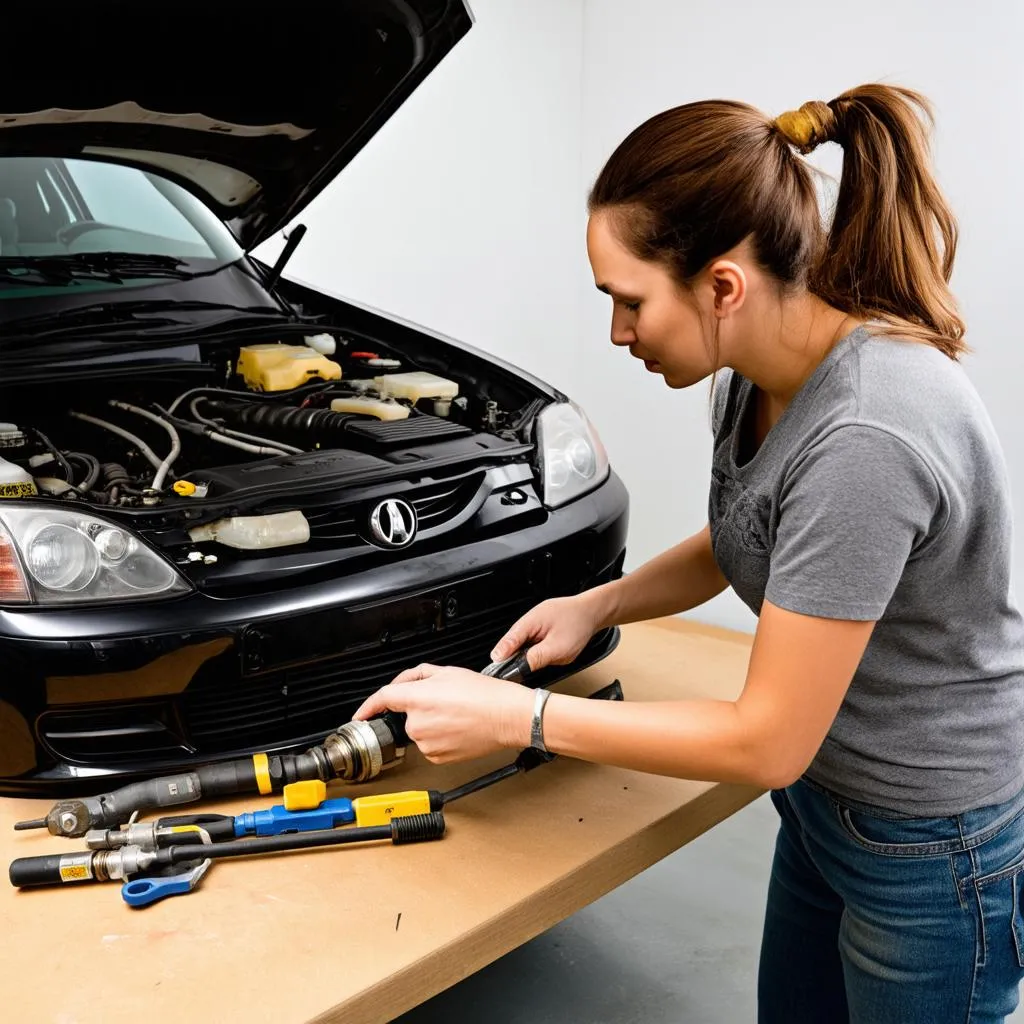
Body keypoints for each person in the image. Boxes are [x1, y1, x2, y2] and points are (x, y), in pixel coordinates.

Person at [354, 83, 1024, 1023]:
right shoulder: (753, 371)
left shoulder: (871, 431)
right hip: (829, 805)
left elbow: (765, 740)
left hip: (926, 841)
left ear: (722, 286)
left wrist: (521, 716)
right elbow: (754, 533)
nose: (618, 334)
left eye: (629, 303)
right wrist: (603, 604)